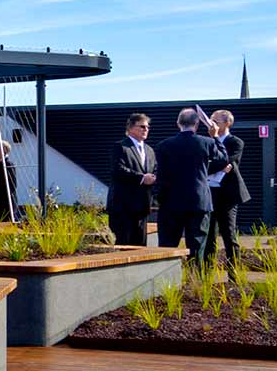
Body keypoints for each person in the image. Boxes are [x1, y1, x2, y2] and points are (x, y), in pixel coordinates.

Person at [153, 107, 226, 257]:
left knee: (167, 246)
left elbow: (160, 175)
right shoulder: (207, 143)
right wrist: (216, 136)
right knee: (197, 246)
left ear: (178, 123)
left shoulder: (163, 146)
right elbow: (223, 159)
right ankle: (196, 278)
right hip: (198, 201)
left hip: (170, 202)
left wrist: (158, 198)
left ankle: (168, 278)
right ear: (197, 124)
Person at [205, 109, 251, 267]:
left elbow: (228, 162)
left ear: (227, 123)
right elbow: (203, 166)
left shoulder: (235, 142)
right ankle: (207, 274)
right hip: (209, 192)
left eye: (215, 122)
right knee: (209, 236)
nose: (212, 125)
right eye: (210, 121)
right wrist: (216, 166)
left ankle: (234, 275)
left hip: (227, 195)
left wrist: (216, 164)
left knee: (228, 234)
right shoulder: (206, 142)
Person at [107, 113, 156, 246]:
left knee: (140, 246)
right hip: (123, 206)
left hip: (143, 206)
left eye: (147, 127)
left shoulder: (149, 150)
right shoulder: (121, 147)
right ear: (131, 128)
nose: (146, 129)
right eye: (142, 126)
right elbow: (118, 170)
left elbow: (154, 169)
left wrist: (154, 178)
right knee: (123, 244)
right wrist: (141, 178)